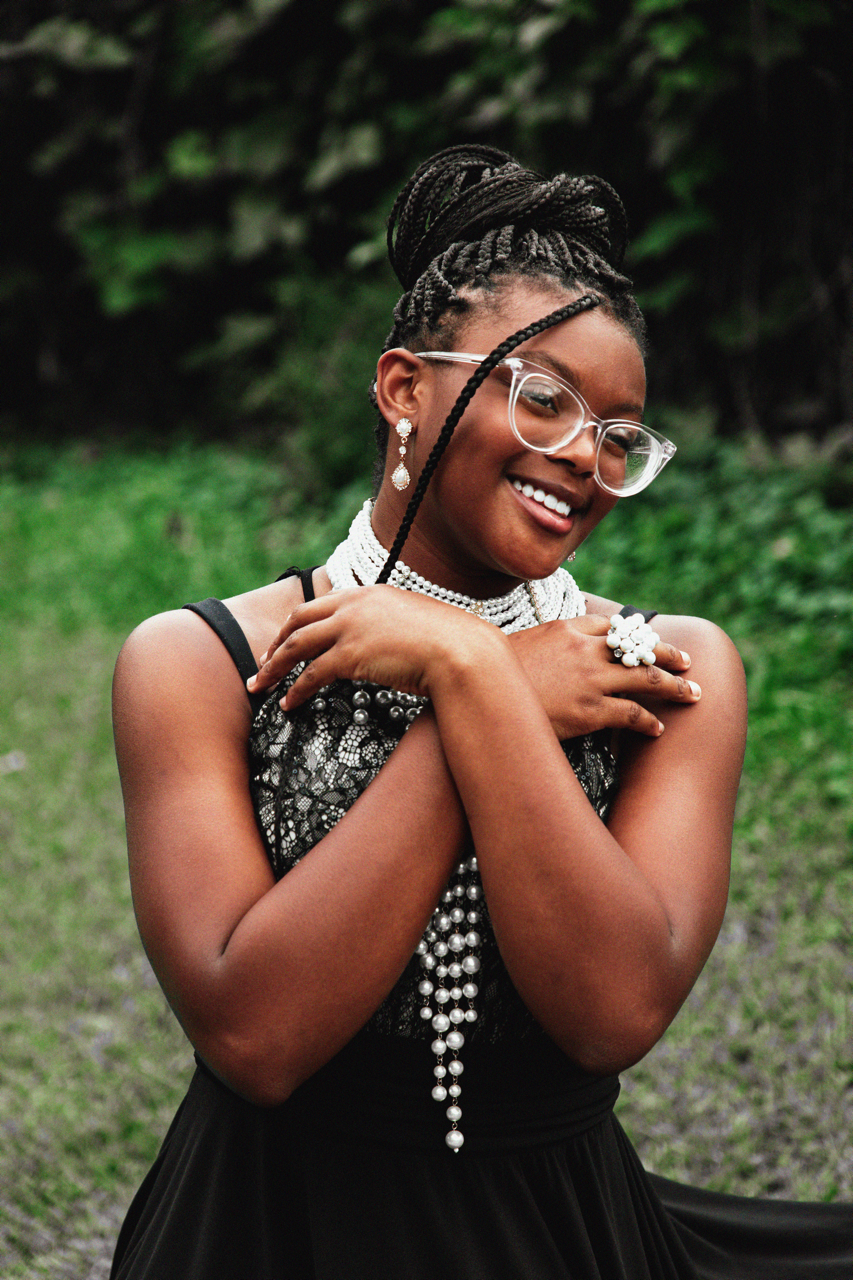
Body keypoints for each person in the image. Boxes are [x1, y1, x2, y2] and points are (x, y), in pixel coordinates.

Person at [109, 145, 852, 1279]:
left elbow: (612, 1013)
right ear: (405, 387)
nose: (582, 458)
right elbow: (255, 1036)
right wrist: (495, 681)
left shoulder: (670, 669)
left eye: (618, 435)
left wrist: (470, 673)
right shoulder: (198, 662)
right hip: (267, 1227)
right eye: (542, 396)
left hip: (552, 1233)